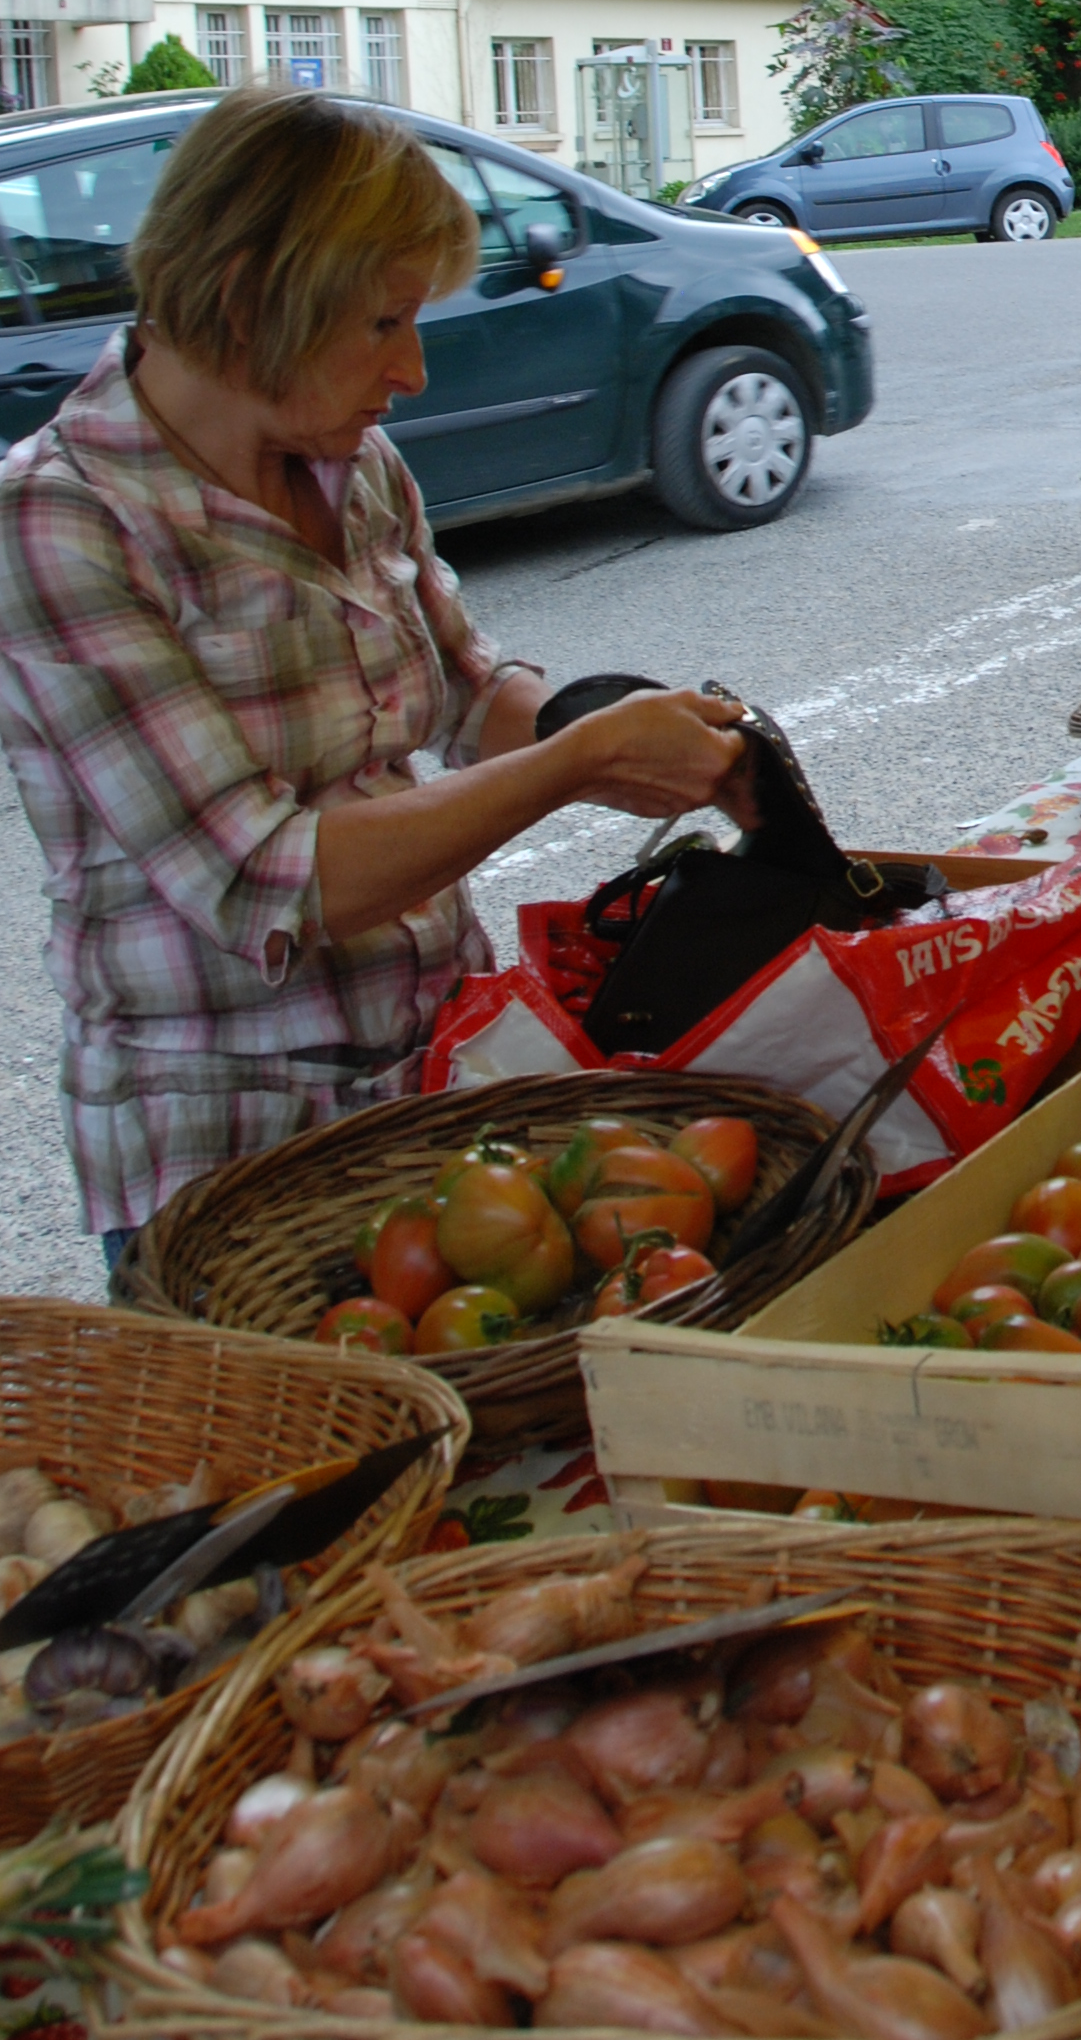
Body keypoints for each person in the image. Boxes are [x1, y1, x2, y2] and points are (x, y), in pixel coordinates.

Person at [0, 88, 756, 1263]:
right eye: (383, 322)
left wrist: (634, 726)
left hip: (433, 1071)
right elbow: (268, 882)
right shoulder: (57, 521)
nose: (411, 367)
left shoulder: (351, 463)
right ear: (251, 298)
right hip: (230, 1145)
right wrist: (579, 761)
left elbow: (460, 689)